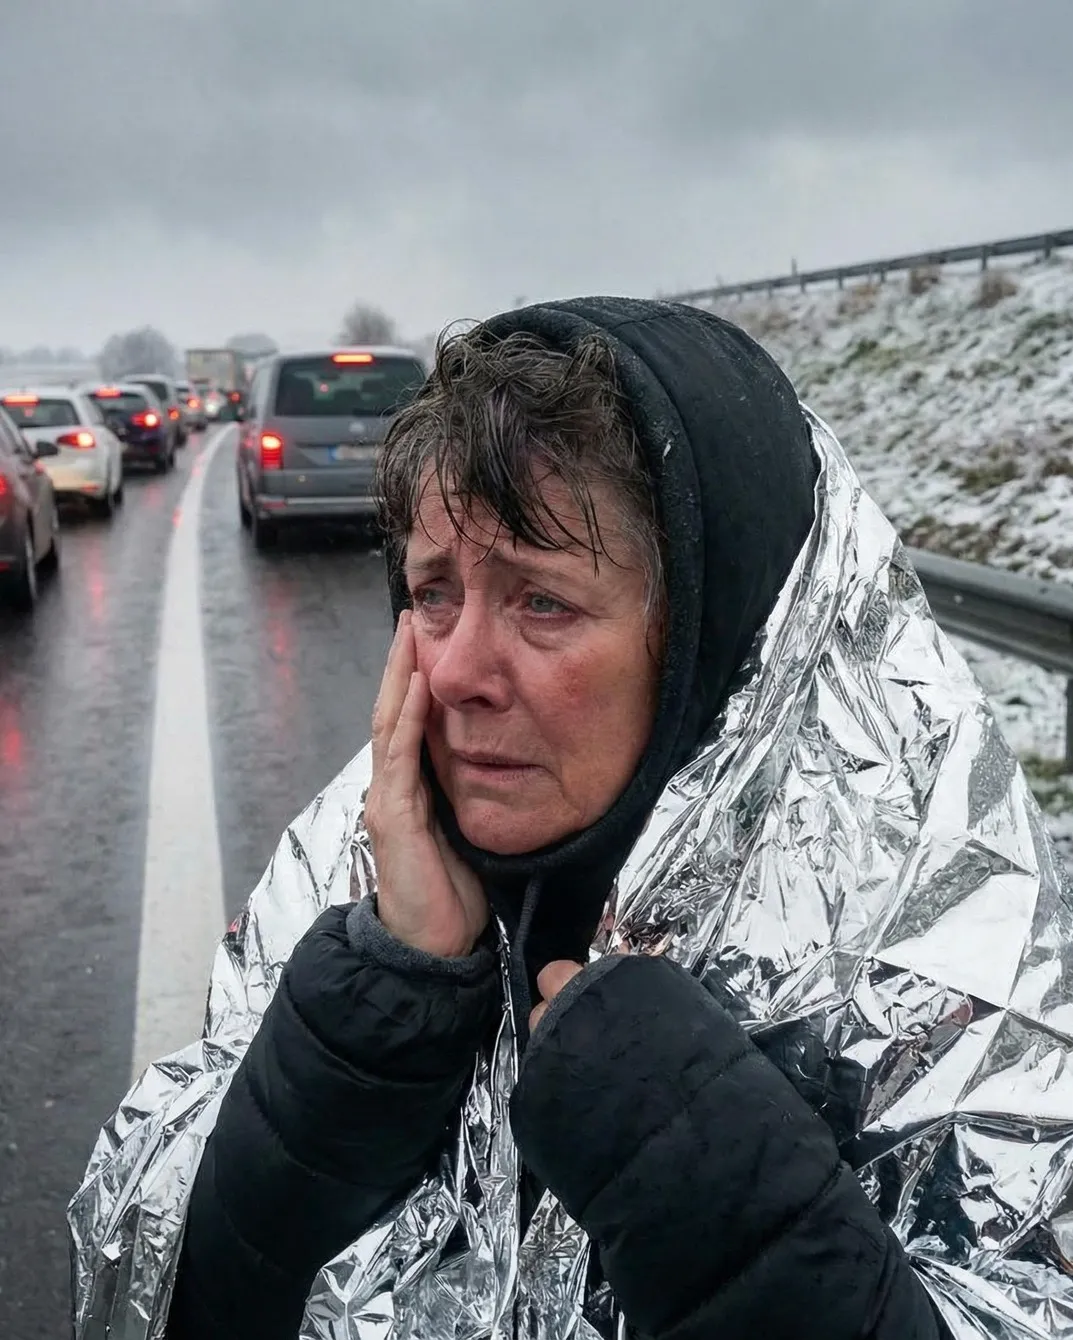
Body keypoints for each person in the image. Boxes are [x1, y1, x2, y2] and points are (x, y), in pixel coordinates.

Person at [70, 298, 1073, 1340]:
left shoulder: (941, 954)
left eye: (541, 600)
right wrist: (366, 1015)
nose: (453, 669)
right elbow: (156, 1286)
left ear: (721, 647)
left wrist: (709, 1176)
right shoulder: (350, 864)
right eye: (432, 590)